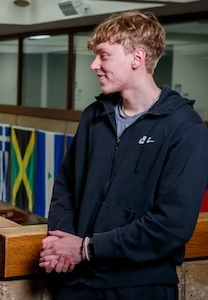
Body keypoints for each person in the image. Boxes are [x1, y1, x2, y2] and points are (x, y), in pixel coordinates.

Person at [39, 11, 208, 300]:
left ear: (137, 58)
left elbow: (171, 226)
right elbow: (65, 186)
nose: (94, 65)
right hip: (76, 284)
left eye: (103, 56)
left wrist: (86, 248)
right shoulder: (94, 116)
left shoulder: (185, 128)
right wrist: (62, 243)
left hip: (139, 288)